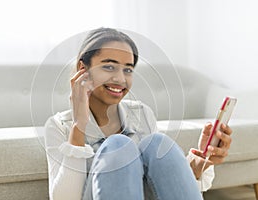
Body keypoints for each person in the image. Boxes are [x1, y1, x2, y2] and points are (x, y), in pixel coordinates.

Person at [44, 27, 232, 200]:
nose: (120, 79)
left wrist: (199, 165)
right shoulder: (59, 125)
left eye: (128, 69)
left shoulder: (142, 114)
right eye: (109, 66)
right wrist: (79, 125)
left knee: (158, 142)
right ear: (83, 69)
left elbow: (157, 186)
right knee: (118, 145)